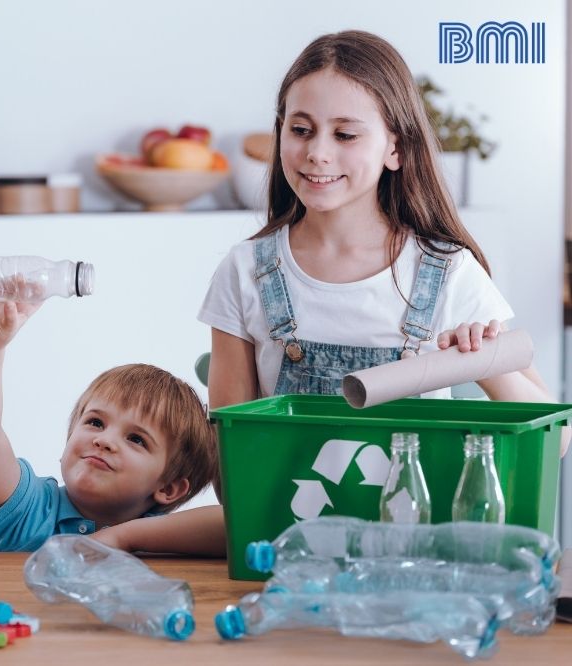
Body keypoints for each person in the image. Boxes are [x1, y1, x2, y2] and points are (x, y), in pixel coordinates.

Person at [199, 30, 564, 447]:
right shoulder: (245, 270)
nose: (317, 152)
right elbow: (228, 460)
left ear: (396, 148)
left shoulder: (448, 273)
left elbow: (560, 440)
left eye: (345, 135)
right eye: (301, 129)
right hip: (285, 514)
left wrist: (485, 363)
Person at [0, 299, 219, 553]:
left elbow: (236, 527)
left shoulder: (162, 538)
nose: (104, 440)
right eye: (95, 422)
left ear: (168, 488)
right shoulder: (30, 508)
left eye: (136, 439)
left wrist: (121, 538)